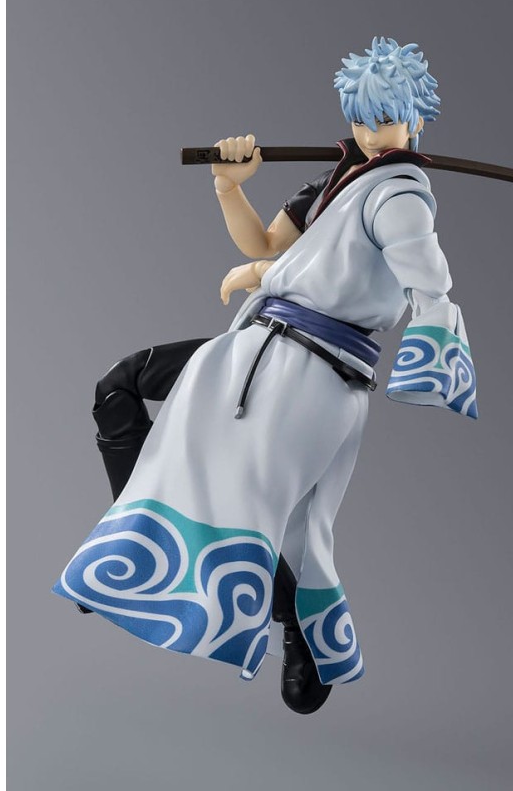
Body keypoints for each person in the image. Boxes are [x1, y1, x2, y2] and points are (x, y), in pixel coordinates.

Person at [53, 37, 477, 715]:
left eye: (387, 120)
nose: (372, 133)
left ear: (415, 120)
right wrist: (229, 187)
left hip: (313, 369)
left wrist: (434, 331)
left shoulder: (399, 193)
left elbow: (420, 271)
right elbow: (269, 245)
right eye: (362, 119)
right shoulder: (336, 182)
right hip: (258, 348)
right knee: (119, 389)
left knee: (261, 511)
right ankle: (129, 547)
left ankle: (295, 628)